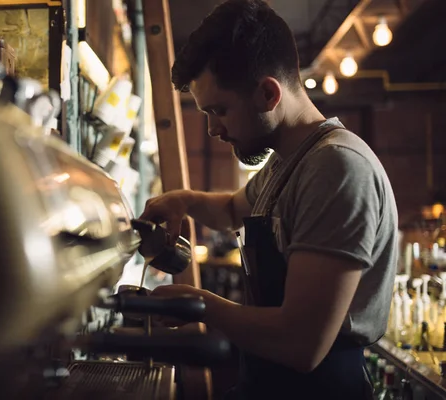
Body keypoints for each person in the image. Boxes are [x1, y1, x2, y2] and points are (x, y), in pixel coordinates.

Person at [139, 1, 398, 399]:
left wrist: (199, 305)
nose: (211, 129)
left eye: (219, 110)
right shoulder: (289, 163)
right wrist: (184, 200)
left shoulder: (336, 168)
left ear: (267, 93)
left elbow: (302, 344)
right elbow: (230, 210)